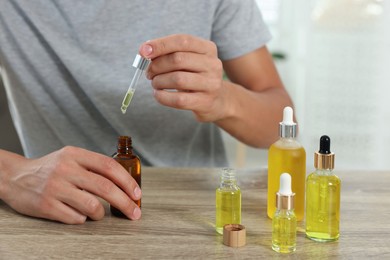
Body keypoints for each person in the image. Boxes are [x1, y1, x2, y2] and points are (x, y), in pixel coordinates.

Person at [0, 0, 293, 224]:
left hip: (195, 216)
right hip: (64, 219)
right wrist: (10, 174)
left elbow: (277, 123)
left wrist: (224, 100)